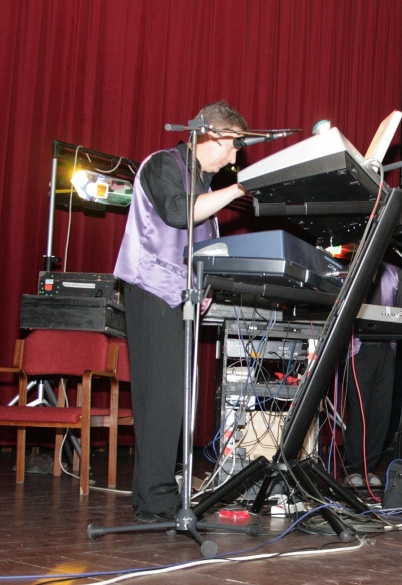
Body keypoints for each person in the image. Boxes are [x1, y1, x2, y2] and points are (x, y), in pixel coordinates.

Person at [114, 101, 249, 522]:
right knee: (161, 397)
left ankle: (155, 497)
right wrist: (237, 190)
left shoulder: (200, 181)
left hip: (180, 298)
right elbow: (177, 213)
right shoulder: (163, 164)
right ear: (209, 134)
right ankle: (156, 501)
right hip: (153, 290)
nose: (234, 156)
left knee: (172, 398)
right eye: (232, 145)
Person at [343, 260, 402, 488]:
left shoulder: (394, 272)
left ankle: (369, 467)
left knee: (381, 412)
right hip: (359, 348)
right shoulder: (353, 267)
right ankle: (353, 468)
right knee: (360, 412)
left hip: (387, 349)